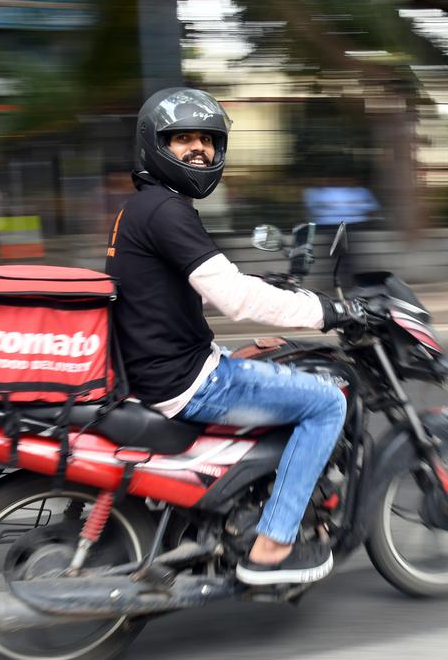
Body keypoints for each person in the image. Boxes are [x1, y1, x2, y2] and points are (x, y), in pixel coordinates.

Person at [104, 87, 363, 586]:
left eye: (206, 139)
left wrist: (248, 332)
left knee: (271, 363)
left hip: (159, 367)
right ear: (154, 145)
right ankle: (273, 544)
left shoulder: (143, 209)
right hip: (185, 382)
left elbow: (186, 292)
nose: (197, 149)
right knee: (327, 403)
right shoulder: (166, 212)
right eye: (182, 139)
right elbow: (235, 299)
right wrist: (326, 311)